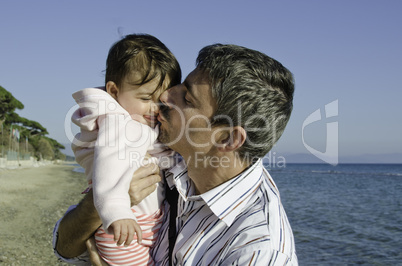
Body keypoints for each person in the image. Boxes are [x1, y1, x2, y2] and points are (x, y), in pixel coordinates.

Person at [54, 43, 298, 265]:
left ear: (227, 138)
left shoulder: (258, 252)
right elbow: (65, 247)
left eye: (187, 98)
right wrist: (101, 204)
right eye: (179, 86)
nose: (164, 96)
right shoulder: (170, 161)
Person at [66, 33, 181, 265]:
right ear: (114, 91)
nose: (155, 108)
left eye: (161, 100)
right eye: (146, 97)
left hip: (143, 221)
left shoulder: (136, 121)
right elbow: (110, 165)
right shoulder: (120, 124)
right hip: (123, 224)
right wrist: (117, 211)